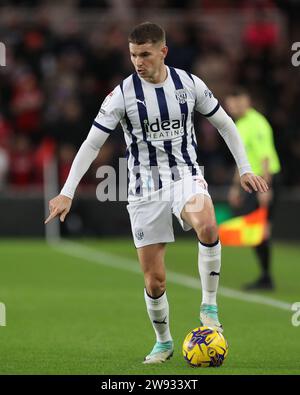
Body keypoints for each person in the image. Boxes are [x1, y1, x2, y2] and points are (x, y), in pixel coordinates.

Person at [45, 22, 268, 364]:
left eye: (145, 54)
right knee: (155, 281)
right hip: (143, 189)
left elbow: (225, 123)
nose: (138, 61)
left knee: (208, 225)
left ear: (162, 51)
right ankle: (163, 342)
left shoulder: (189, 84)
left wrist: (246, 168)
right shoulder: (122, 94)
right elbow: (92, 143)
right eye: (133, 54)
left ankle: (209, 306)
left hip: (185, 177)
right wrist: (67, 192)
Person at [225, 87, 281, 291]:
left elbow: (265, 156)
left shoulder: (257, 123)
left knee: (260, 231)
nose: (234, 106)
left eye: (238, 102)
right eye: (231, 103)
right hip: (253, 181)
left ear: (247, 101)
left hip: (265, 180)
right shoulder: (240, 124)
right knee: (256, 230)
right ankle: (265, 276)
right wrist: (235, 188)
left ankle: (267, 278)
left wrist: (266, 187)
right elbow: (242, 160)